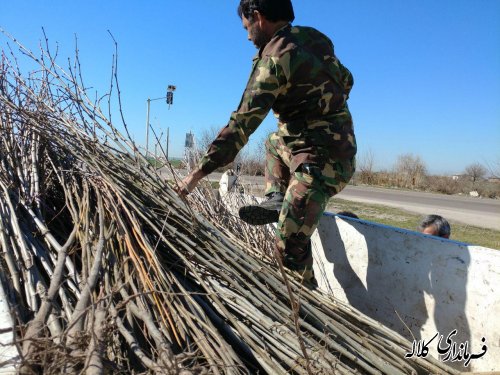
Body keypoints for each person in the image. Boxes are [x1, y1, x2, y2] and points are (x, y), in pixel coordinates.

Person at [178, 0, 357, 285]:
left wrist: (196, 174)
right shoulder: (315, 38)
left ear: (258, 17)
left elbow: (241, 124)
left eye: (247, 27)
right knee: (275, 141)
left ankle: (307, 315)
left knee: (288, 248)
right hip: (335, 149)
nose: (248, 36)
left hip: (322, 166)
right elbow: (346, 80)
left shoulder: (273, 59)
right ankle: (276, 198)